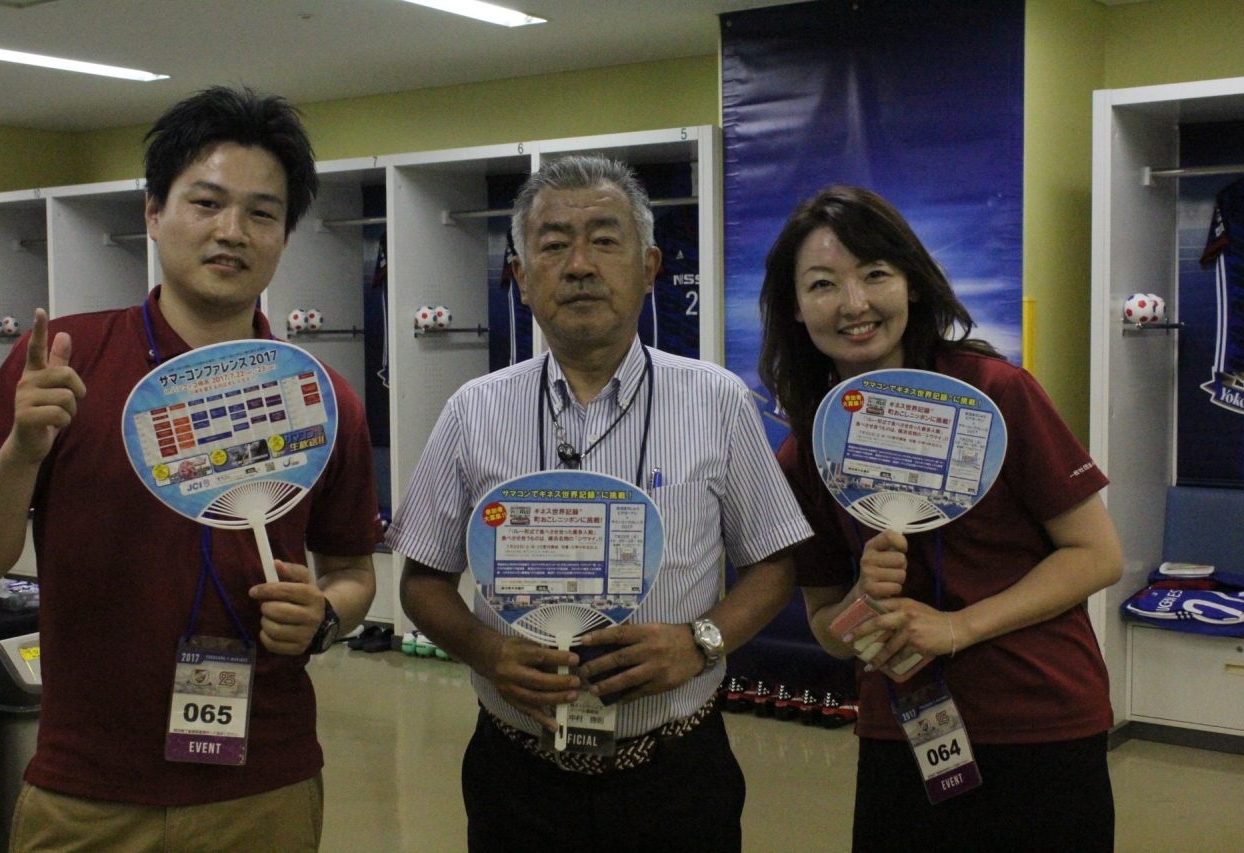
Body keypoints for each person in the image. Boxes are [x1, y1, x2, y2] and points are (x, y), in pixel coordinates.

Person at [0, 86, 380, 853]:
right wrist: (22, 449)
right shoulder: (62, 366)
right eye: (207, 203)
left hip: (264, 784)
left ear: (285, 235)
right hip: (86, 789)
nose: (232, 231)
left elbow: (353, 569)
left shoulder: (320, 399)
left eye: (262, 213)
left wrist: (326, 612)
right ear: (155, 214)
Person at [386, 154, 813, 853]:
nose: (580, 265)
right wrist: (490, 653)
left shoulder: (717, 401)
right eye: (554, 245)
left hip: (676, 770)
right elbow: (423, 582)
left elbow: (773, 564)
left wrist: (700, 642)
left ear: (649, 267)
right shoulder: (473, 411)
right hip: (516, 774)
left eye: (605, 240)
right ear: (521, 278)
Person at [759, 186, 1124, 852]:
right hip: (903, 727)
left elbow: (1097, 555)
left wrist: (957, 627)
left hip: (1040, 718)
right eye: (823, 284)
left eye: (875, 273)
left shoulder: (996, 394)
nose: (854, 303)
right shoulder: (807, 449)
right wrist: (862, 598)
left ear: (912, 283)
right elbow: (827, 628)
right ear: (795, 307)